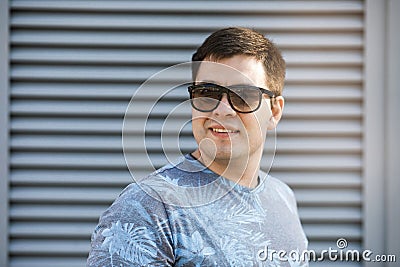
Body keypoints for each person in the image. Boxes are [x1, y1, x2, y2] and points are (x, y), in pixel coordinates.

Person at [87, 27, 308, 266]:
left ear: (274, 111)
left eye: (243, 95)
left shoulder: (283, 197)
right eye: (207, 92)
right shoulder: (147, 207)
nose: (222, 109)